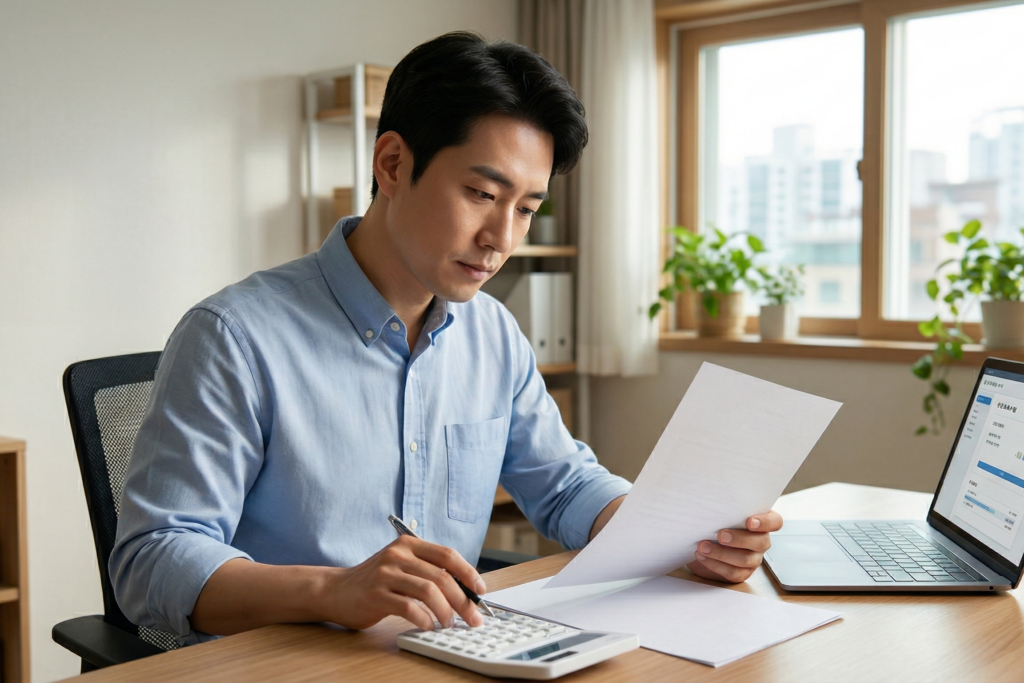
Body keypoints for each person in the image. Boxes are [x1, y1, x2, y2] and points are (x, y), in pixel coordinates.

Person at [110, 31, 783, 645]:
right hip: (281, 660)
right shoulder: (235, 337)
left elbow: (563, 482)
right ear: (394, 164)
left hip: (440, 654)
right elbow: (153, 559)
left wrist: (676, 535)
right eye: (482, 194)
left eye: (526, 207)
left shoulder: (490, 331)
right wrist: (334, 589)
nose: (502, 238)